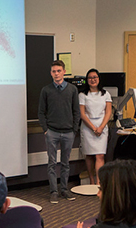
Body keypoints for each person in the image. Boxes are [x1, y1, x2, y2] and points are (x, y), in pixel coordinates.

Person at [38, 59, 81, 204]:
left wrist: (74, 129)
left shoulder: (72, 89)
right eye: (54, 71)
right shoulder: (46, 90)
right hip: (52, 132)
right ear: (51, 73)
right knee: (51, 163)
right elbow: (41, 112)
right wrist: (46, 130)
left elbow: (76, 111)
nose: (56, 74)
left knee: (65, 163)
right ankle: (53, 192)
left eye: (59, 71)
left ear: (63, 72)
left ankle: (64, 190)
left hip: (68, 132)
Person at [79, 68, 113, 185]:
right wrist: (93, 128)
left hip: (102, 127)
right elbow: (82, 114)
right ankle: (92, 181)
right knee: (89, 155)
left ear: (99, 79)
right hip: (88, 127)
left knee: (100, 155)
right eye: (90, 78)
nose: (93, 80)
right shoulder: (83, 95)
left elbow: (108, 112)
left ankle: (99, 183)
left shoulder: (106, 94)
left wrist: (101, 127)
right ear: (87, 80)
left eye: (95, 77)